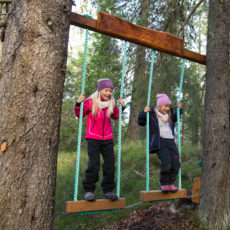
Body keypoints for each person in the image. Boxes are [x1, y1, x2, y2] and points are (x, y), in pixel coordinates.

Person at [75, 78, 125, 201]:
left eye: (110, 91)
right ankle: (89, 190)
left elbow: (116, 116)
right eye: (106, 90)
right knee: (94, 165)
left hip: (107, 138)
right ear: (100, 90)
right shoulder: (91, 102)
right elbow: (79, 114)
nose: (108, 93)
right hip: (93, 137)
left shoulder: (112, 103)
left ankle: (107, 191)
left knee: (109, 166)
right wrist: (78, 104)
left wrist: (122, 106)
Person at [138, 94, 182, 193]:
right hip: (160, 143)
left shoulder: (169, 116)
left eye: (169, 107)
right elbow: (141, 122)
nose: (167, 109)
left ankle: (171, 183)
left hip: (171, 142)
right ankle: (164, 183)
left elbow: (177, 117)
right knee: (167, 163)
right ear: (159, 106)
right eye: (165, 106)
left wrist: (179, 109)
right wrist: (144, 112)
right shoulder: (152, 115)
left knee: (176, 164)